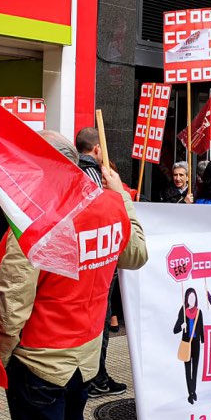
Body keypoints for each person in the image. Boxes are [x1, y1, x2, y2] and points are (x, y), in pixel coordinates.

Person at [0, 130, 148, 420]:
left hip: (39, 361)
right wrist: (122, 197)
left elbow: (11, 304)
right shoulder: (109, 204)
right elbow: (137, 255)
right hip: (84, 357)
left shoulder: (34, 218)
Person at [75, 136, 129, 399]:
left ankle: (93, 375)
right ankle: (97, 378)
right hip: (100, 261)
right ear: (97, 148)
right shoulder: (96, 177)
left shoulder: (72, 171)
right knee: (99, 322)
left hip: (83, 260)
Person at [173, 288, 204, 404]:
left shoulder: (199, 312)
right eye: (190, 297)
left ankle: (193, 391)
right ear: (186, 299)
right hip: (186, 344)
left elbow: (201, 328)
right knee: (188, 370)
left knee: (195, 369)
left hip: (196, 343)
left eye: (194, 297)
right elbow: (175, 330)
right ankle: (190, 393)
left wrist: (203, 342)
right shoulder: (183, 311)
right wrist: (182, 326)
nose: (192, 300)